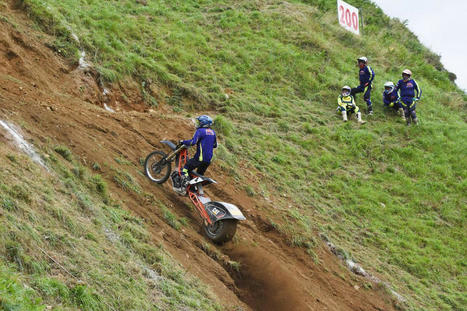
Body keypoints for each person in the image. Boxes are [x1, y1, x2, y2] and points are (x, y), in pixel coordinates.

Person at [180, 115, 217, 188]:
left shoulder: (200, 131)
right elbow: (215, 145)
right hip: (208, 160)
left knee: (185, 168)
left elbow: (193, 142)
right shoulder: (213, 132)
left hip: (199, 158)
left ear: (203, 123)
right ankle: (194, 187)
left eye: (199, 122)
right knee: (199, 176)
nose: (198, 123)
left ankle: (185, 182)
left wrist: (183, 142)